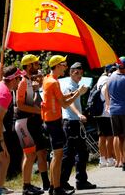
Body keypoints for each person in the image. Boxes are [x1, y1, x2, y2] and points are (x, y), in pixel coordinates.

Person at [41, 55, 87, 195]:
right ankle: (56, 188)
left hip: (51, 121)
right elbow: (64, 104)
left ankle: (54, 186)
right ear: (57, 65)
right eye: (64, 65)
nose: (66, 67)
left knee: (57, 155)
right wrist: (78, 93)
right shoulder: (53, 82)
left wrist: (74, 92)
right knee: (58, 155)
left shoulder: (49, 79)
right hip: (53, 122)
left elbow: (60, 97)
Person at [15, 55, 48, 195]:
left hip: (30, 122)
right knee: (29, 155)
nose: (38, 66)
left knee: (33, 154)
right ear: (29, 66)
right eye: (36, 64)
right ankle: (26, 187)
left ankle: (28, 185)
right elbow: (20, 105)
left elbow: (30, 101)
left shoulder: (29, 80)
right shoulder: (23, 81)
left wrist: (36, 90)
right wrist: (37, 110)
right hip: (23, 123)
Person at [60, 62, 96, 191]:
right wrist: (79, 114)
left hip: (76, 122)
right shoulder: (68, 86)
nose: (79, 75)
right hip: (70, 122)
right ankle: (62, 182)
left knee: (82, 153)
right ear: (71, 72)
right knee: (68, 155)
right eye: (76, 72)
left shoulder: (77, 86)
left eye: (81, 73)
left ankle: (81, 181)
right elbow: (69, 104)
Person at [0, 66, 25, 195]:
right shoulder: (5, 94)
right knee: (4, 158)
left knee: (4, 159)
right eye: (19, 78)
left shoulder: (1, 85)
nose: (20, 81)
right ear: (13, 79)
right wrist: (1, 140)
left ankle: (0, 187)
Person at [96, 64, 116, 168]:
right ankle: (110, 159)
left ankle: (102, 159)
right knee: (109, 136)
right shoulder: (106, 79)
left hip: (100, 112)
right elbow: (105, 91)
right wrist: (109, 103)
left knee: (102, 136)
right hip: (106, 112)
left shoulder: (100, 78)